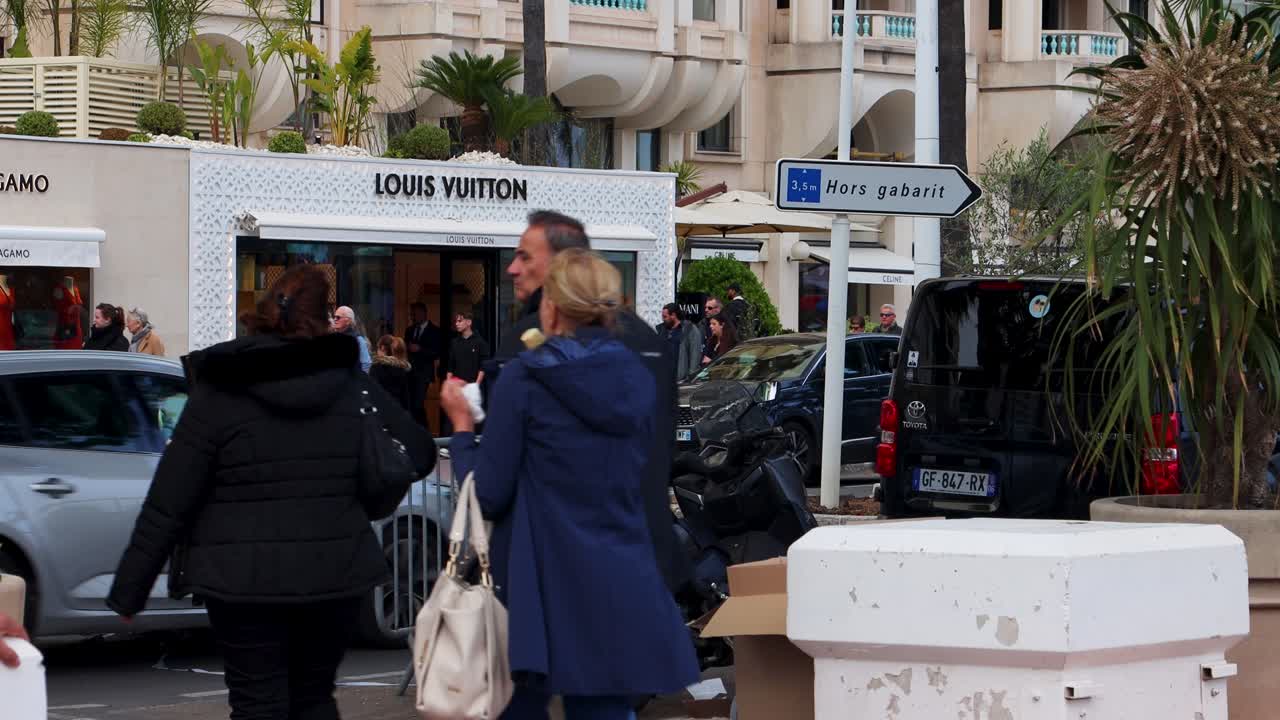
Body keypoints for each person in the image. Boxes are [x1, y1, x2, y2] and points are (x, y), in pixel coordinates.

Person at [107, 265, 434, 720]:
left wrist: (131, 589)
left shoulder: (220, 388)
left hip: (241, 580)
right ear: (323, 321)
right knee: (314, 697)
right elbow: (419, 451)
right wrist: (363, 494)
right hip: (335, 570)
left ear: (262, 313)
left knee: (256, 702)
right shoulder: (349, 384)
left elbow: (171, 494)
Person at [441, 248, 699, 720]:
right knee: (604, 707)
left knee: (520, 706)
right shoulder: (638, 378)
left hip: (542, 582)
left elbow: (489, 493)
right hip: (621, 569)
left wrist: (461, 429)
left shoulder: (526, 379)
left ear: (553, 307)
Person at [487, 210, 687, 595]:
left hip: (559, 567)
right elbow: (663, 447)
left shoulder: (527, 348)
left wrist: (464, 432)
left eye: (525, 256)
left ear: (561, 263)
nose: (512, 268)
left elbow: (496, 480)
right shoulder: (649, 343)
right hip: (645, 555)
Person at [404, 302, 443, 426]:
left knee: (418, 405)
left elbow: (437, 352)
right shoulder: (409, 330)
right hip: (409, 373)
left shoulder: (435, 331)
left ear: (423, 313)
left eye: (414, 314)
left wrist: (420, 349)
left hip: (423, 374)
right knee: (410, 404)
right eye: (411, 315)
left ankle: (424, 430)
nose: (412, 317)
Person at [371, 335, 414, 412]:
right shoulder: (403, 368)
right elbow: (406, 397)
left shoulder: (376, 367)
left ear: (382, 348)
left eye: (377, 348)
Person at [661, 303, 702, 381]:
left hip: (681, 379)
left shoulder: (689, 329)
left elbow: (695, 354)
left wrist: (691, 376)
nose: (663, 319)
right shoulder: (661, 330)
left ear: (673, 315)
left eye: (665, 317)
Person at [446, 311, 489, 384]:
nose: (456, 324)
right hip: (457, 385)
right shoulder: (454, 342)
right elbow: (450, 367)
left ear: (469, 322)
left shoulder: (480, 342)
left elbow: (482, 367)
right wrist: (449, 384)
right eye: (456, 321)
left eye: (460, 321)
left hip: (473, 385)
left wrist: (476, 385)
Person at [332, 305, 372, 372]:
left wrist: (359, 378)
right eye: (334, 317)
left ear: (348, 321)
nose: (335, 319)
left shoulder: (358, 339)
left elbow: (366, 363)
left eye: (338, 317)